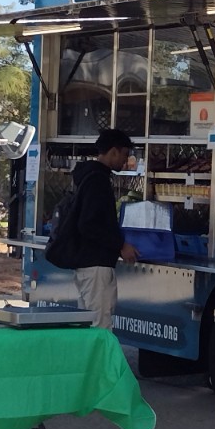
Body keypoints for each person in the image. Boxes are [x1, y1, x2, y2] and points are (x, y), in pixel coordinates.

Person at [48, 128, 138, 329]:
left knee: (88, 325)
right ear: (113, 151)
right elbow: (89, 224)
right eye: (124, 154)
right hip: (96, 265)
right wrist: (120, 244)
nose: (125, 161)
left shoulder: (87, 177)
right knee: (100, 326)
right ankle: (99, 362)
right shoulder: (98, 181)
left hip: (86, 265)